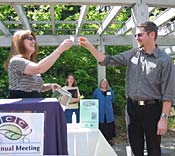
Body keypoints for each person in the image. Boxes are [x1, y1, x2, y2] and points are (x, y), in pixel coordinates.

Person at [78, 21, 175, 156]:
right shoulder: (133, 54)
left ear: (152, 35)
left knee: (154, 149)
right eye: (135, 35)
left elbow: (168, 93)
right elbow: (107, 60)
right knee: (135, 147)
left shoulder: (165, 60)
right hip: (132, 108)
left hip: (152, 109)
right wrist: (89, 46)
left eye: (140, 34)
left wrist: (164, 118)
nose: (136, 38)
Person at [4, 29, 73, 98]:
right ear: (19, 42)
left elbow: (34, 88)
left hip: (33, 105)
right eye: (30, 38)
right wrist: (59, 50)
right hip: (21, 107)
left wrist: (50, 86)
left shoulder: (30, 64)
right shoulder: (16, 61)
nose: (33, 41)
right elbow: (39, 68)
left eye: (34, 39)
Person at [93, 78, 116, 144]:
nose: (104, 84)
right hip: (100, 112)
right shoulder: (97, 91)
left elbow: (113, 100)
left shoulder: (110, 91)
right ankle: (101, 141)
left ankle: (109, 140)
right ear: (100, 84)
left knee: (109, 126)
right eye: (102, 83)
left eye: (105, 83)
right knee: (102, 126)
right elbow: (94, 100)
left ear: (107, 84)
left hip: (108, 112)